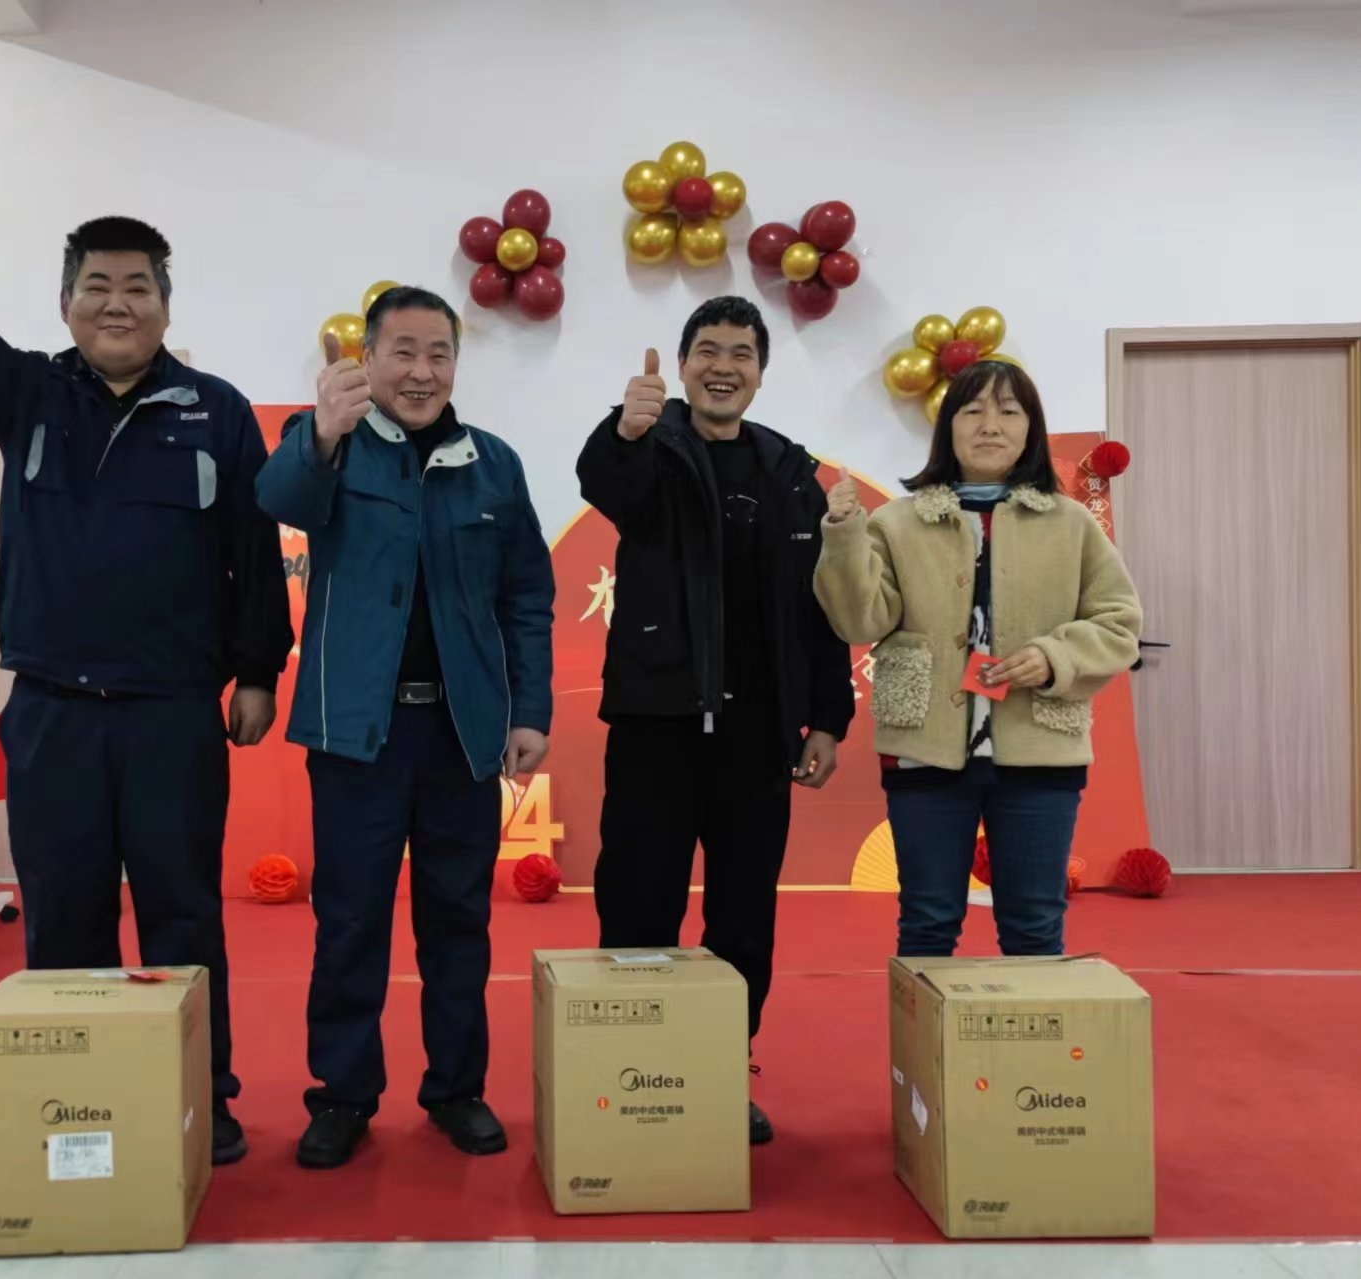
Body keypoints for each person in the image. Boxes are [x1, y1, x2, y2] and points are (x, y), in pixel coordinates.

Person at [0, 118, 292, 1166]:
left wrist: (256, 670)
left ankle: (201, 1095)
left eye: (137, 286)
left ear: (165, 306)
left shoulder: (215, 412)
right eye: (97, 285)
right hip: (53, 711)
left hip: (169, 714)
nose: (117, 303)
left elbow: (252, 548)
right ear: (66, 303)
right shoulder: (29, 394)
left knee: (183, 915)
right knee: (64, 915)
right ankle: (77, 1096)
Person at [258, 287, 555, 1170]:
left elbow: (527, 596)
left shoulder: (492, 464)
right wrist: (320, 430)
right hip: (358, 734)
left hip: (461, 733)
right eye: (403, 352)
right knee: (349, 921)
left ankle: (457, 1089)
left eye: (439, 353)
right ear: (369, 358)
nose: (421, 371)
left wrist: (528, 710)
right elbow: (279, 498)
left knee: (457, 920)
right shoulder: (328, 442)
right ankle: (342, 1095)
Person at [575, 295, 854, 1147]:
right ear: (683, 364)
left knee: (742, 920)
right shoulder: (649, 449)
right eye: (707, 350)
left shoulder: (789, 472)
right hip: (656, 726)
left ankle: (718, 1073)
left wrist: (826, 716)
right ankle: (629, 1075)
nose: (722, 366)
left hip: (758, 737)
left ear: (760, 371)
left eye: (740, 352)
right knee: (638, 905)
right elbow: (605, 484)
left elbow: (819, 606)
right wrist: (624, 430)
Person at [812, 360, 1140, 958]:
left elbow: (1118, 622)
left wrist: (1055, 657)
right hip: (923, 750)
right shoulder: (896, 522)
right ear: (949, 428)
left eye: (1009, 412)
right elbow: (859, 620)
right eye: (973, 411)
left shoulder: (1070, 522)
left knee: (1035, 925)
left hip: (1040, 750)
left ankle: (1028, 1027)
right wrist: (843, 532)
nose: (990, 425)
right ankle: (923, 1028)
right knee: (927, 922)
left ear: (1030, 428)